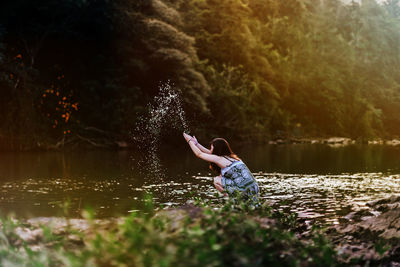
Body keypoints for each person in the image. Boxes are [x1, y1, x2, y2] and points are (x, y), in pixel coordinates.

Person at [183, 133, 259, 203]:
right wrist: (196, 143)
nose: (211, 149)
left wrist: (189, 141)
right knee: (222, 176)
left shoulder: (219, 159)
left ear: (216, 149)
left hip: (244, 191)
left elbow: (199, 154)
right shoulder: (233, 158)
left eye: (212, 147)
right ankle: (243, 200)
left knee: (216, 180)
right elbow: (210, 153)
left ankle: (235, 201)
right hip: (254, 189)